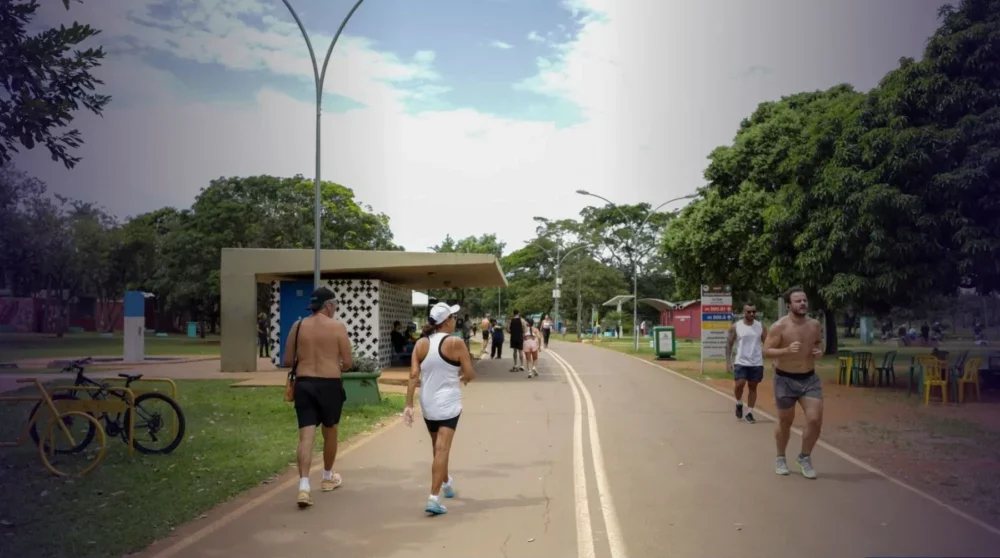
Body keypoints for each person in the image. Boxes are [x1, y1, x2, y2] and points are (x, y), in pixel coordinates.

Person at [404, 302, 476, 515]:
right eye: (453, 317)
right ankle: (434, 498)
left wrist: (408, 405)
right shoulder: (456, 343)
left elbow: (413, 375)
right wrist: (462, 378)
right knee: (442, 449)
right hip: (448, 403)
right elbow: (470, 373)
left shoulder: (421, 344)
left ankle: (446, 483)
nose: (455, 320)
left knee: (437, 447)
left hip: (427, 403)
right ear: (446, 321)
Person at [284, 287, 353, 507]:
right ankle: (327, 477)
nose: (336, 309)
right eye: (335, 305)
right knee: (330, 432)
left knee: (306, 437)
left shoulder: (297, 326)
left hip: (304, 384)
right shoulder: (337, 327)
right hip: (330, 385)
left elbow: (288, 360)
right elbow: (348, 363)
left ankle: (304, 487)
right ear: (328, 306)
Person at [763, 286, 824, 479]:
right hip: (785, 379)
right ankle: (780, 457)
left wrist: (819, 350)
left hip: (809, 378)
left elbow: (818, 342)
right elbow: (766, 351)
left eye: (804, 300)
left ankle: (804, 457)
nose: (803, 303)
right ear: (789, 305)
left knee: (814, 420)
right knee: (785, 421)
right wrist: (786, 351)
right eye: (798, 301)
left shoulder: (814, 325)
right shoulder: (779, 326)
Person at [726, 303, 766, 424]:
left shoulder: (761, 326)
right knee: (740, 384)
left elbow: (768, 344)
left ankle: (749, 412)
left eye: (753, 311)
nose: (752, 314)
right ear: (744, 312)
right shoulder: (736, 326)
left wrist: (775, 359)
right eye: (749, 312)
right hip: (741, 361)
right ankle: (739, 403)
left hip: (757, 362)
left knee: (753, 387)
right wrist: (728, 361)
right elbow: (729, 344)